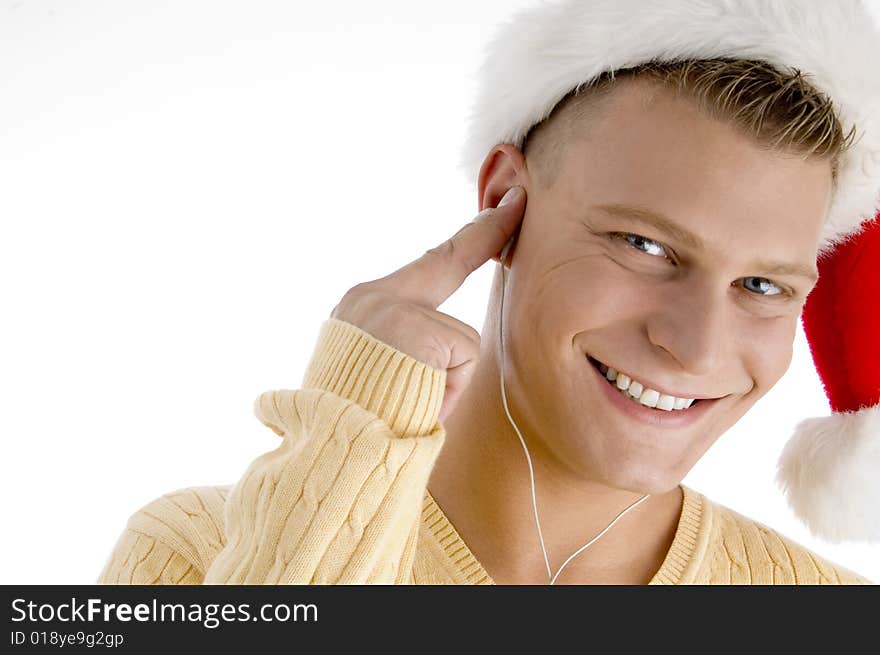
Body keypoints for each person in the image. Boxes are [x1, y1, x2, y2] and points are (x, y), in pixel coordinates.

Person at [98, 0, 879, 585]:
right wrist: (356, 429)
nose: (697, 344)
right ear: (507, 200)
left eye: (762, 284)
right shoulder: (196, 556)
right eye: (644, 245)